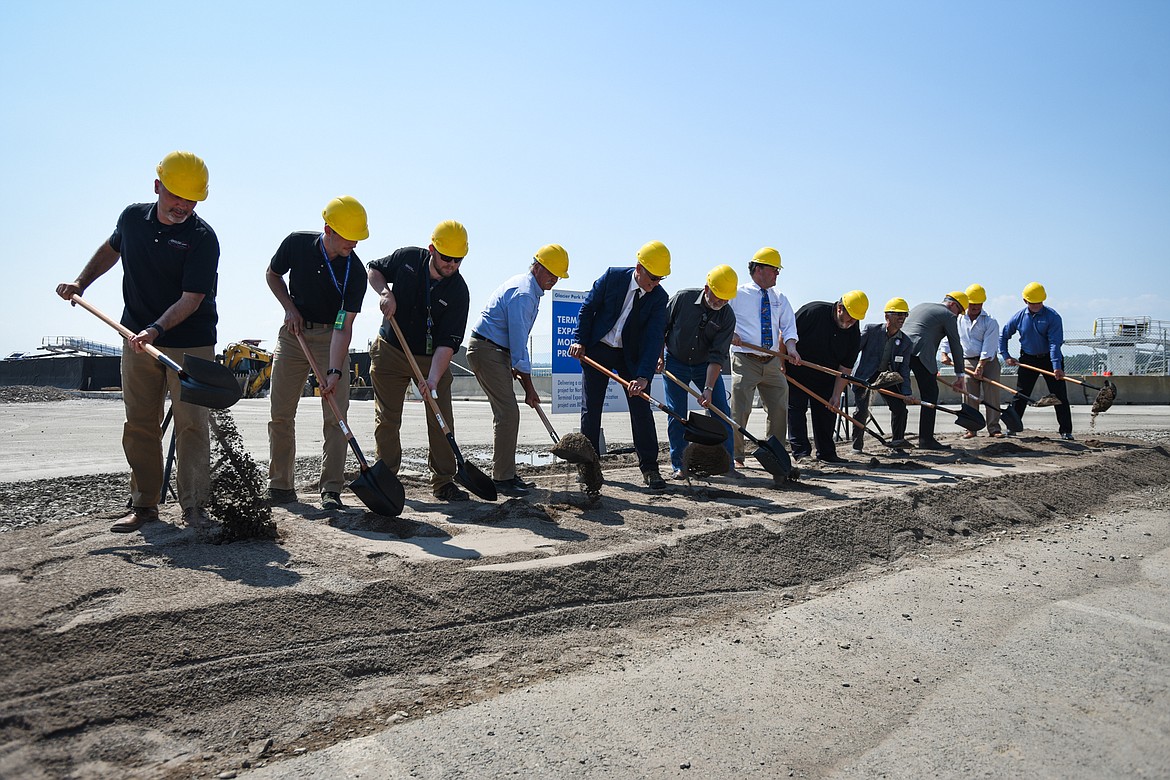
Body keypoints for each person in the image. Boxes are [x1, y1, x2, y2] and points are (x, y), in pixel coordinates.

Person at [55, 151, 220, 533]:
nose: (183, 205)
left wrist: (156, 331)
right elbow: (112, 249)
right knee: (140, 422)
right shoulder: (132, 218)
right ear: (158, 186)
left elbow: (191, 299)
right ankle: (144, 505)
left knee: (192, 424)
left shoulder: (202, 237)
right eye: (176, 195)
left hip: (189, 342)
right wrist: (81, 282)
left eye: (191, 199)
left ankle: (195, 507)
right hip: (135, 338)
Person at [264, 196, 369, 510]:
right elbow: (272, 275)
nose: (354, 244)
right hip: (294, 333)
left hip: (330, 338)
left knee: (336, 416)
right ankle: (280, 486)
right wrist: (290, 308)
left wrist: (335, 370)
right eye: (348, 239)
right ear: (328, 229)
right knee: (280, 413)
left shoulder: (356, 273)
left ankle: (331, 490)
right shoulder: (296, 244)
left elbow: (344, 327)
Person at [367, 220, 471, 501]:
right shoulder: (408, 258)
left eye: (458, 259)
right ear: (432, 249)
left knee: (440, 417)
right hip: (390, 349)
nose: (451, 264)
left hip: (430, 358)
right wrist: (385, 292)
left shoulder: (459, 292)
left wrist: (433, 379)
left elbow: (448, 344)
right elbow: (374, 269)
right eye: (446, 257)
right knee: (387, 418)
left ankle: (444, 481)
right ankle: (386, 477)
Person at [467, 244, 570, 497]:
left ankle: (507, 473)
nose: (554, 280)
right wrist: (530, 388)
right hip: (487, 350)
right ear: (536, 267)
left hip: (496, 350)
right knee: (508, 414)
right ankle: (503, 478)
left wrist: (524, 380)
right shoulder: (524, 294)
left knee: (508, 413)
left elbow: (516, 349)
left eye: (557, 276)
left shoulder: (529, 290)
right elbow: (520, 347)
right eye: (550, 274)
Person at [568, 241, 671, 490]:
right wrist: (580, 341)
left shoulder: (659, 298)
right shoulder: (613, 277)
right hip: (599, 348)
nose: (655, 283)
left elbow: (653, 337)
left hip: (631, 355)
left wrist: (643, 376)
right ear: (639, 268)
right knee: (591, 408)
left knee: (641, 408)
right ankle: (589, 467)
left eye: (661, 279)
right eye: (653, 277)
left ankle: (650, 468)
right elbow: (588, 309)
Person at [661, 264, 738, 479]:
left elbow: (717, 356)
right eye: (717, 297)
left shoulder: (727, 317)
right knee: (676, 412)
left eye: (725, 299)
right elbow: (661, 328)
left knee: (721, 410)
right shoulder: (682, 299)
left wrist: (708, 388)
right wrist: (658, 357)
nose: (720, 303)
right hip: (675, 361)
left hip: (705, 365)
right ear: (707, 288)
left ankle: (726, 464)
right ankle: (680, 464)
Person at [728, 247, 801, 468]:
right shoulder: (737, 294)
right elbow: (723, 319)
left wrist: (791, 348)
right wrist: (730, 334)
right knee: (740, 408)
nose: (777, 274)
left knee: (779, 408)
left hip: (771, 362)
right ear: (759, 269)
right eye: (774, 270)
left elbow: (788, 327)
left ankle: (775, 454)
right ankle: (736, 455)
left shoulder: (780, 298)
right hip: (745, 359)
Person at [786, 292, 866, 463]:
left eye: (856, 320)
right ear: (839, 308)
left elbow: (846, 367)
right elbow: (785, 335)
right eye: (850, 318)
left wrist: (836, 394)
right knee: (796, 411)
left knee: (827, 411)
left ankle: (827, 453)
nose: (852, 322)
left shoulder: (853, 330)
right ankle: (801, 453)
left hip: (827, 376)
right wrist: (781, 363)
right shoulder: (813, 312)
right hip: (797, 371)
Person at [1000, 282, 1074, 440]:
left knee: (1059, 396)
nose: (1036, 306)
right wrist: (1006, 355)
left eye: (1039, 303)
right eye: (1033, 303)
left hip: (1049, 358)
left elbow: (1055, 343)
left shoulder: (1052, 317)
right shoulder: (1018, 317)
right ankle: (1013, 427)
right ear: (1025, 301)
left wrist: (1056, 366)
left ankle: (1066, 431)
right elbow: (1004, 335)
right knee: (1020, 394)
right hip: (1028, 358)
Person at [902, 292, 968, 450]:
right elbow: (955, 344)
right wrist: (960, 375)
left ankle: (898, 438)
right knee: (930, 395)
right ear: (953, 305)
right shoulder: (948, 314)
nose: (957, 316)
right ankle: (926, 440)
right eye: (959, 312)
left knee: (899, 394)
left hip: (900, 350)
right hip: (919, 352)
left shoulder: (922, 305)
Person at [851, 297, 915, 453]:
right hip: (866, 375)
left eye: (904, 314)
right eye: (898, 314)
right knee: (861, 411)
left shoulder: (906, 342)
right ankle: (857, 446)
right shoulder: (871, 331)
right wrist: (846, 372)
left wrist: (906, 392)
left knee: (900, 408)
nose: (901, 318)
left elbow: (904, 370)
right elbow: (853, 351)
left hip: (888, 378)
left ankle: (897, 443)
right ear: (887, 316)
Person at [942, 283, 1003, 439]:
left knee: (992, 395)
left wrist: (981, 365)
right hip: (967, 361)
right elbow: (950, 337)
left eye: (978, 303)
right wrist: (944, 353)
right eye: (972, 303)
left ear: (983, 303)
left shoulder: (990, 322)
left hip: (988, 362)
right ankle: (971, 428)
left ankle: (994, 428)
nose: (975, 306)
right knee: (969, 395)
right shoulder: (958, 319)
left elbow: (989, 346)